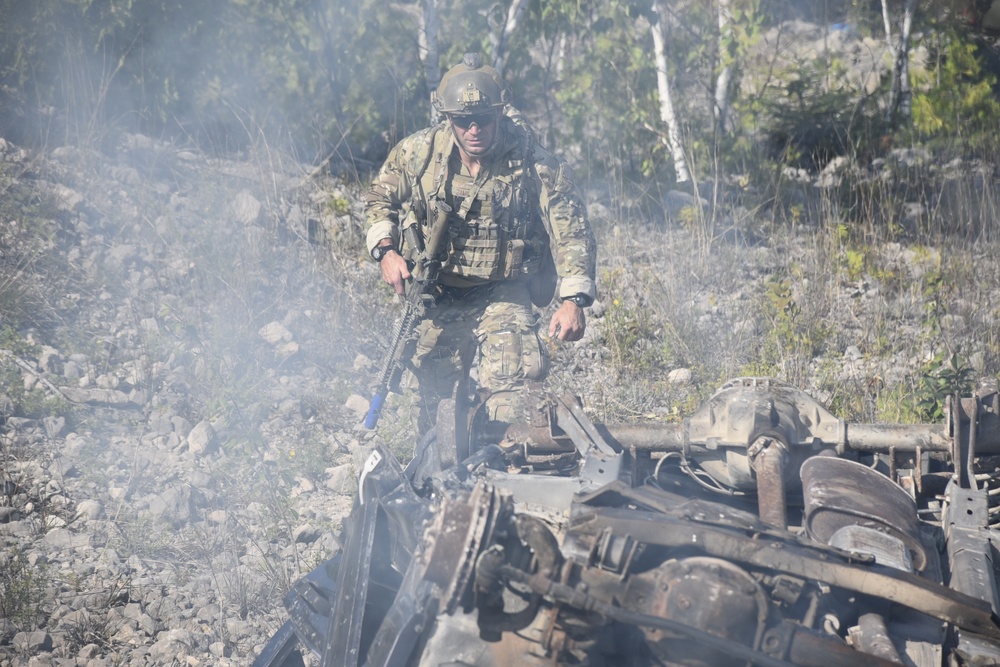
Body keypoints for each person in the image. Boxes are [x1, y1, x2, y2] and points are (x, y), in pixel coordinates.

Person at [364, 52, 596, 433]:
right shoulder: (419, 153)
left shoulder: (533, 163)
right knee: (431, 412)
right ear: (448, 118)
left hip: (503, 293)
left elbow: (571, 228)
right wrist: (386, 252)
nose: (475, 130)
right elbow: (378, 199)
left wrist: (574, 300)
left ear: (500, 114)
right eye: (463, 121)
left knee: (512, 404)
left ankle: (503, 472)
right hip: (437, 292)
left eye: (484, 120)